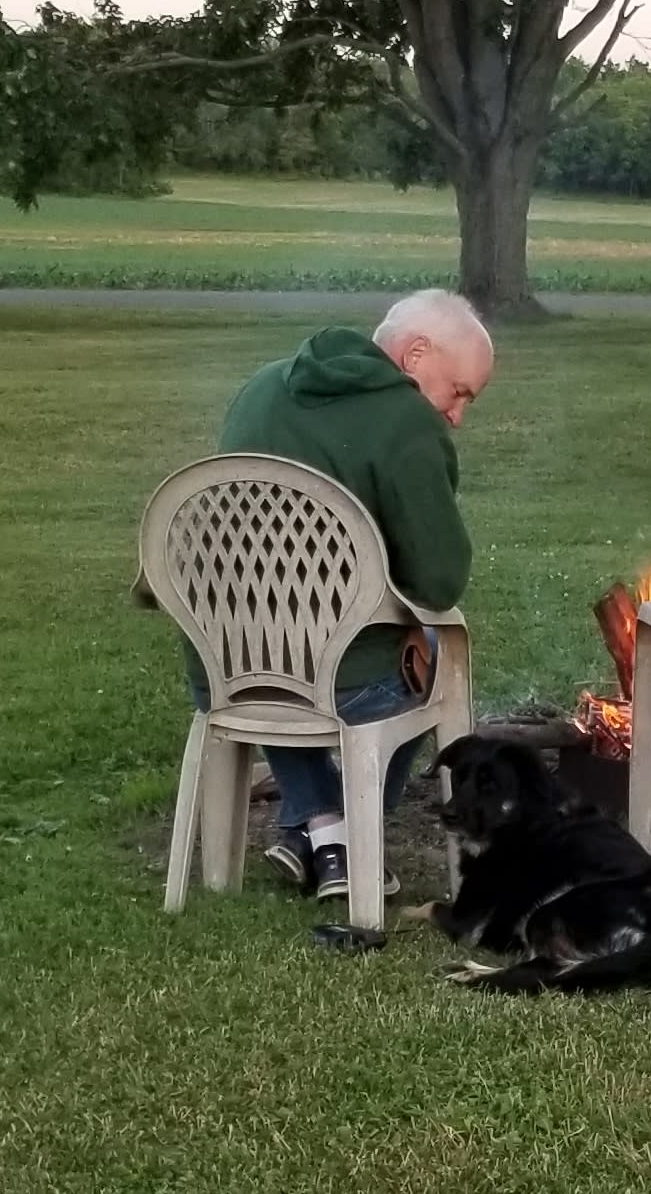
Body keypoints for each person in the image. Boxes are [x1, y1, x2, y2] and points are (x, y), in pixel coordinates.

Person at [188, 288, 493, 901]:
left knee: (274, 643)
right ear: (414, 355)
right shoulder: (407, 422)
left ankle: (316, 828)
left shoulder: (262, 385)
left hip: (225, 659)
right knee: (427, 647)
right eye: (459, 392)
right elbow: (437, 581)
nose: (457, 415)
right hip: (340, 677)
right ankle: (350, 835)